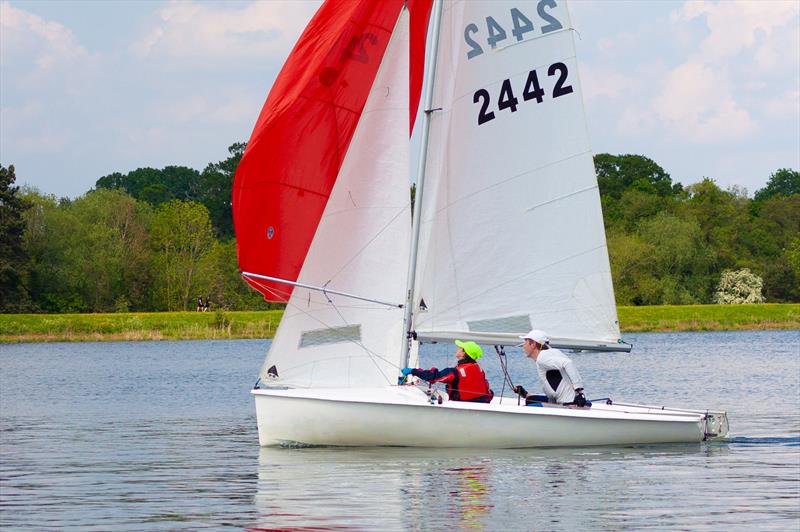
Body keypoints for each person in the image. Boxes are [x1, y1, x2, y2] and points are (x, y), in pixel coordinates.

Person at [401, 340, 494, 403]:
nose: (457, 349)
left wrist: (413, 371)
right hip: (482, 404)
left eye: (460, 348)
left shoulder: (454, 372)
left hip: (462, 407)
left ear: (464, 353)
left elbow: (433, 377)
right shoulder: (479, 369)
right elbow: (487, 391)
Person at [513, 329, 587, 407]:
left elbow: (568, 363)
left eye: (525, 342)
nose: (523, 346)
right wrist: (524, 393)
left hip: (569, 404)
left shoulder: (542, 357)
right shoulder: (551, 353)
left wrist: (579, 392)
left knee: (529, 405)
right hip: (562, 401)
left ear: (533, 344)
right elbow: (553, 391)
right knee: (530, 399)